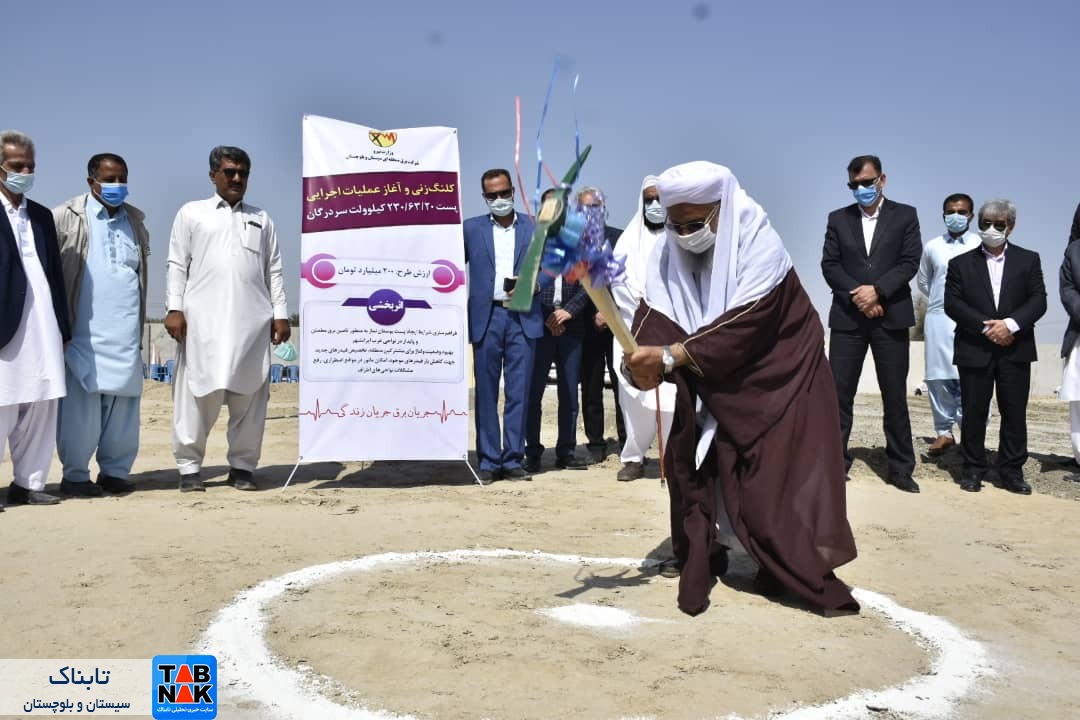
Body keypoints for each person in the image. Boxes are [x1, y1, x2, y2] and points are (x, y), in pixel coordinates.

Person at [624, 161, 858, 616]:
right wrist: (639, 365)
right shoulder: (665, 251)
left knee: (778, 481)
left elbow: (746, 325)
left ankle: (786, 563)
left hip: (779, 382)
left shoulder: (758, 242)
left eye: (697, 224)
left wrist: (671, 357)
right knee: (694, 466)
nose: (686, 234)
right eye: (677, 225)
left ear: (723, 210)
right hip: (712, 382)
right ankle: (703, 552)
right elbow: (653, 317)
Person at [166, 146, 289, 492]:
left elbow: (274, 270)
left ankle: (243, 467)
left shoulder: (262, 218)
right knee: (196, 394)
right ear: (213, 175)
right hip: (202, 321)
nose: (237, 178)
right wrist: (174, 308)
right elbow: (177, 263)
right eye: (230, 171)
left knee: (249, 397)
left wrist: (280, 314)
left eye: (243, 173)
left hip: (252, 323)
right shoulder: (192, 213)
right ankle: (189, 468)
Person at [821, 155, 922, 492]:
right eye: (854, 185)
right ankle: (834, 464)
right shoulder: (838, 219)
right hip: (849, 320)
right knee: (839, 395)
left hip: (891, 317)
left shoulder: (905, 215)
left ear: (882, 179)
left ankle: (901, 468)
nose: (861, 189)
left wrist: (878, 292)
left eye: (867, 182)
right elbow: (830, 265)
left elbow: (909, 262)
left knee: (894, 395)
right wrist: (858, 297)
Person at [53, 153, 149, 497]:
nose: (116, 186)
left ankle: (114, 472)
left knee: (123, 409)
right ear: (91, 181)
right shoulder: (65, 217)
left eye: (122, 179)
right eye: (109, 180)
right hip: (82, 335)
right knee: (81, 411)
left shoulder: (134, 222)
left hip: (124, 333)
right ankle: (75, 476)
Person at [945, 199, 1046, 494]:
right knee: (974, 411)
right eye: (985, 223)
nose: (991, 229)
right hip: (975, 347)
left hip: (1016, 347)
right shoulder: (960, 263)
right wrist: (988, 327)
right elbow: (953, 303)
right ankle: (973, 468)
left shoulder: (1029, 260)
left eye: (998, 224)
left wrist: (1010, 325)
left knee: (1014, 412)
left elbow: (1038, 300)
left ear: (1010, 227)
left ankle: (1011, 470)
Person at [0, 129, 71, 509]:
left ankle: (29, 483)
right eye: (16, 166)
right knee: (2, 402)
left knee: (43, 402)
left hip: (42, 325)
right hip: (5, 326)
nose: (24, 172)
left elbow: (56, 278)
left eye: (30, 165)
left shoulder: (41, 216)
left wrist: (63, 327)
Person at [463, 169, 542, 482]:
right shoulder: (470, 229)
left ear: (512, 191)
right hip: (487, 318)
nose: (499, 200)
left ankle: (512, 459)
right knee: (485, 392)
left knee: (519, 392)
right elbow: (450, 267)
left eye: (503, 193)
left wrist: (533, 284)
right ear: (485, 197)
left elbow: (552, 266)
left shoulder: (535, 227)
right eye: (492, 195)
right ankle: (488, 461)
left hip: (522, 316)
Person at [610, 176, 675, 481]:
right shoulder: (627, 240)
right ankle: (634, 458)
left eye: (659, 199)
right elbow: (618, 282)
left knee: (673, 397)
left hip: (672, 331)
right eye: (648, 200)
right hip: (632, 330)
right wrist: (645, 305)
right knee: (634, 398)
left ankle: (674, 456)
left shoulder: (680, 237)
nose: (654, 205)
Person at [523, 190, 590, 473]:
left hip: (572, 328)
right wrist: (547, 315)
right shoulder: (531, 242)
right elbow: (525, 281)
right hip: (540, 327)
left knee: (569, 395)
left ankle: (566, 452)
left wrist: (569, 311)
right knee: (533, 393)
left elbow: (590, 285)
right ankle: (533, 453)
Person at [916, 193, 981, 455]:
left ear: (972, 215)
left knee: (971, 374)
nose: (956, 216)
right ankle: (944, 431)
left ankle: (971, 431)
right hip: (939, 315)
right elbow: (923, 281)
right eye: (951, 212)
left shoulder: (980, 243)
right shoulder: (933, 246)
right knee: (938, 375)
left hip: (974, 317)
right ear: (943, 215)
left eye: (962, 212)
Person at [578, 186, 626, 462]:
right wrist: (593, 312)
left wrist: (610, 312)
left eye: (595, 207)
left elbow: (626, 282)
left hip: (617, 324)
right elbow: (573, 285)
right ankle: (595, 443)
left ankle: (626, 440)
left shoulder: (620, 239)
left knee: (622, 382)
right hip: (586, 324)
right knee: (591, 384)